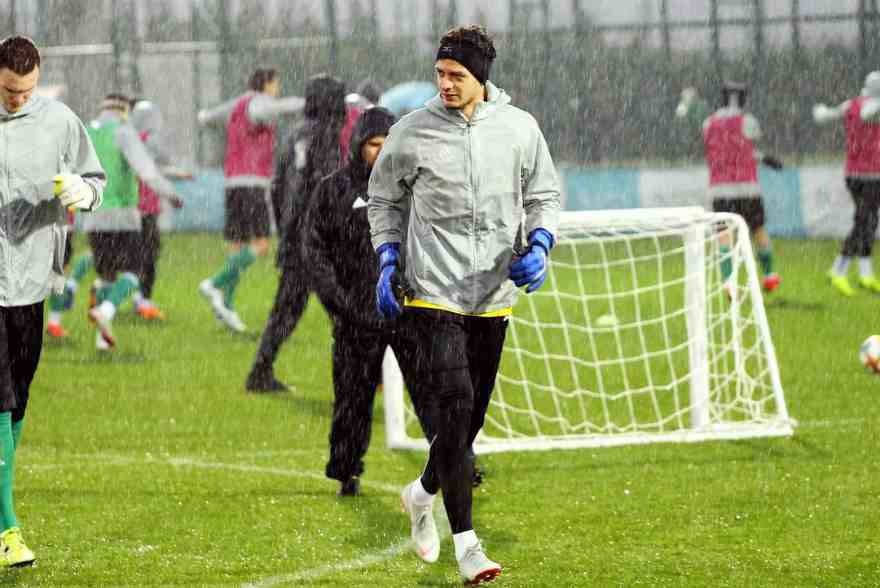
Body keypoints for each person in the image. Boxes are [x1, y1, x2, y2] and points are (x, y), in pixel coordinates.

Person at [367, 26, 560, 584]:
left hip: (493, 295)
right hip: (431, 290)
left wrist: (541, 244)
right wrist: (386, 257)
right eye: (441, 74)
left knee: (466, 424)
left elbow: (542, 194)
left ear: (481, 78)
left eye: (458, 76)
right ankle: (468, 544)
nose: (446, 84)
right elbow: (383, 198)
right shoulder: (412, 132)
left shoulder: (520, 129)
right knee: (453, 400)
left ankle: (421, 492)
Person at [0, 36, 106, 567]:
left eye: (24, 91)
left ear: (37, 80)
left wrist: (82, 194)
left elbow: (96, 179)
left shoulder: (60, 121)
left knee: (17, 401)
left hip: (33, 283)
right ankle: (8, 529)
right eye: (6, 90)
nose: (16, 99)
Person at [304, 107, 406, 496]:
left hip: (408, 310)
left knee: (436, 392)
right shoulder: (333, 190)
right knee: (351, 396)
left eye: (387, 144)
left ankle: (458, 466)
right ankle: (347, 469)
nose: (380, 152)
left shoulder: (412, 185)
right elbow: (314, 249)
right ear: (359, 145)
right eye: (373, 145)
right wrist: (340, 302)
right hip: (355, 314)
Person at [244, 74, 347, 392]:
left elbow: (277, 187)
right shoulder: (327, 134)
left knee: (287, 309)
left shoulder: (294, 135)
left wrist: (287, 229)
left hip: (294, 236)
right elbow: (327, 186)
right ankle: (360, 379)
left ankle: (260, 371)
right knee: (349, 310)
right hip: (319, 239)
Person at [197, 68, 304, 333]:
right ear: (267, 84)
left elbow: (209, 118)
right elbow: (271, 110)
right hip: (252, 184)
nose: (277, 88)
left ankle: (227, 307)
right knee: (261, 245)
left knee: (236, 248)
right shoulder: (259, 103)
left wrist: (205, 117)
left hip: (232, 183)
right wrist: (310, 102)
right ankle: (213, 283)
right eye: (276, 83)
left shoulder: (238, 103)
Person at [83, 94, 180, 351]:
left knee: (106, 276)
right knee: (135, 272)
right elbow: (146, 170)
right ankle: (105, 309)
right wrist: (170, 193)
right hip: (122, 215)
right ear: (124, 110)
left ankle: (102, 339)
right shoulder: (124, 132)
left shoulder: (87, 132)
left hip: (92, 215)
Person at [681, 81, 784, 294]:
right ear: (743, 98)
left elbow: (721, 149)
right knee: (758, 230)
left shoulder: (708, 123)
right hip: (748, 188)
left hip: (720, 188)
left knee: (724, 234)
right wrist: (766, 158)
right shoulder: (747, 120)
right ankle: (769, 275)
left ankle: (729, 282)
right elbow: (747, 145)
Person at [813, 71, 880, 296]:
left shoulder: (850, 104)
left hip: (856, 174)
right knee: (864, 221)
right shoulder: (869, 108)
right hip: (868, 176)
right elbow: (868, 113)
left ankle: (865, 273)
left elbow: (827, 115)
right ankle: (838, 270)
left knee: (869, 221)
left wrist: (821, 111)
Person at [129, 99, 190, 320]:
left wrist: (177, 174)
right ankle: (144, 302)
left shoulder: (129, 140)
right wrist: (172, 195)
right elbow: (153, 171)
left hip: (129, 207)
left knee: (128, 256)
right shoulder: (150, 141)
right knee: (149, 255)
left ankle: (108, 293)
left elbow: (152, 168)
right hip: (146, 208)